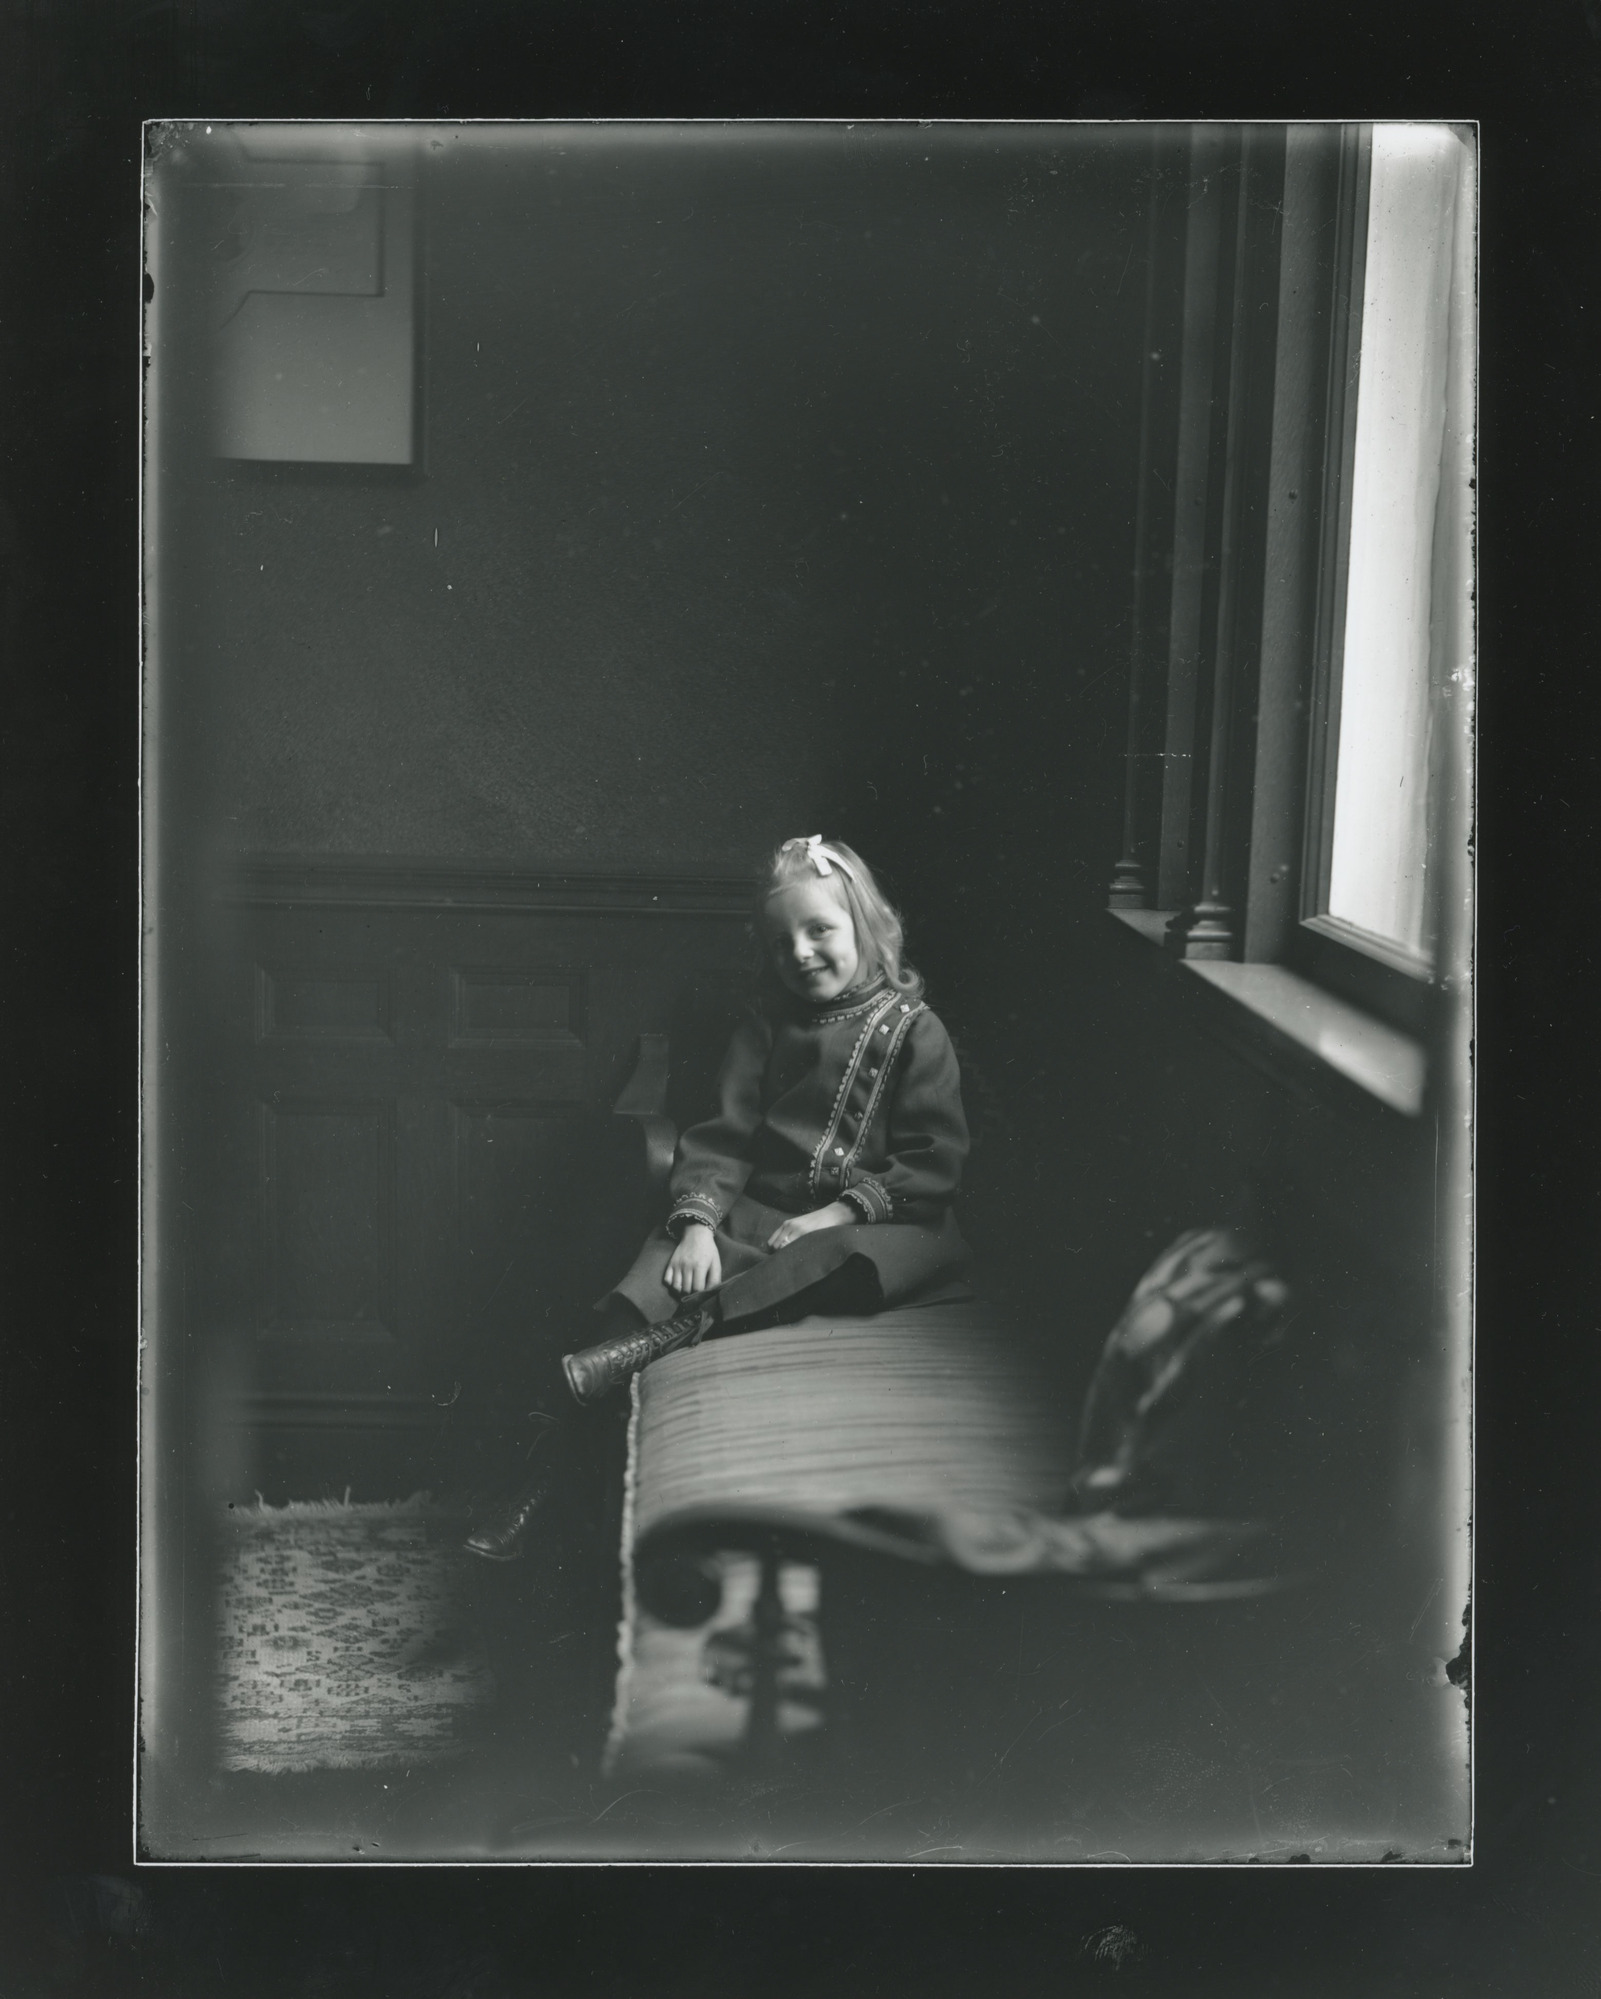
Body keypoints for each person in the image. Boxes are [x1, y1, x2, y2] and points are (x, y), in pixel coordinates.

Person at [464, 834, 972, 1561]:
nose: (799, 951)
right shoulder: (765, 1027)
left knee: (834, 1261)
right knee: (638, 1291)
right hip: (755, 1216)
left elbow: (933, 1161)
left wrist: (839, 1210)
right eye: (780, 941)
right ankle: (544, 1484)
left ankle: (668, 1339)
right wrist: (699, 1225)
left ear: (866, 924)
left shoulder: (916, 1033)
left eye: (819, 929)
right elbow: (722, 1137)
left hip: (876, 1224)